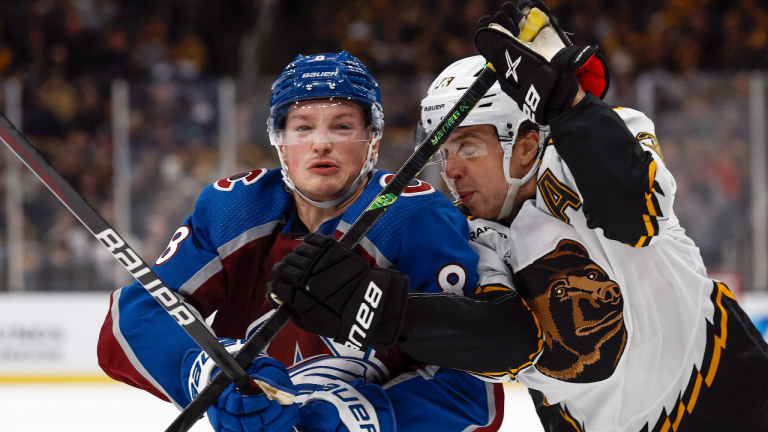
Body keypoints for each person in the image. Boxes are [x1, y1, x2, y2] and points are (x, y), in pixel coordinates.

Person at [269, 3, 768, 432]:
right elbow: (506, 339)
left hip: (735, 399)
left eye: (468, 144)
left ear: (526, 143)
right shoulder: (469, 237)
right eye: (444, 152)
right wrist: (371, 304)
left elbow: (632, 213)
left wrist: (569, 106)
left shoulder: (591, 148)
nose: (453, 170)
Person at [97, 51, 507, 432]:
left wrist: (351, 416)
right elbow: (133, 319)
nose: (321, 142)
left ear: (373, 140)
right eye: (303, 127)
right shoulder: (236, 210)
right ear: (280, 141)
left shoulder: (417, 217)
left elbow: (472, 388)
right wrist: (204, 370)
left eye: (343, 126)